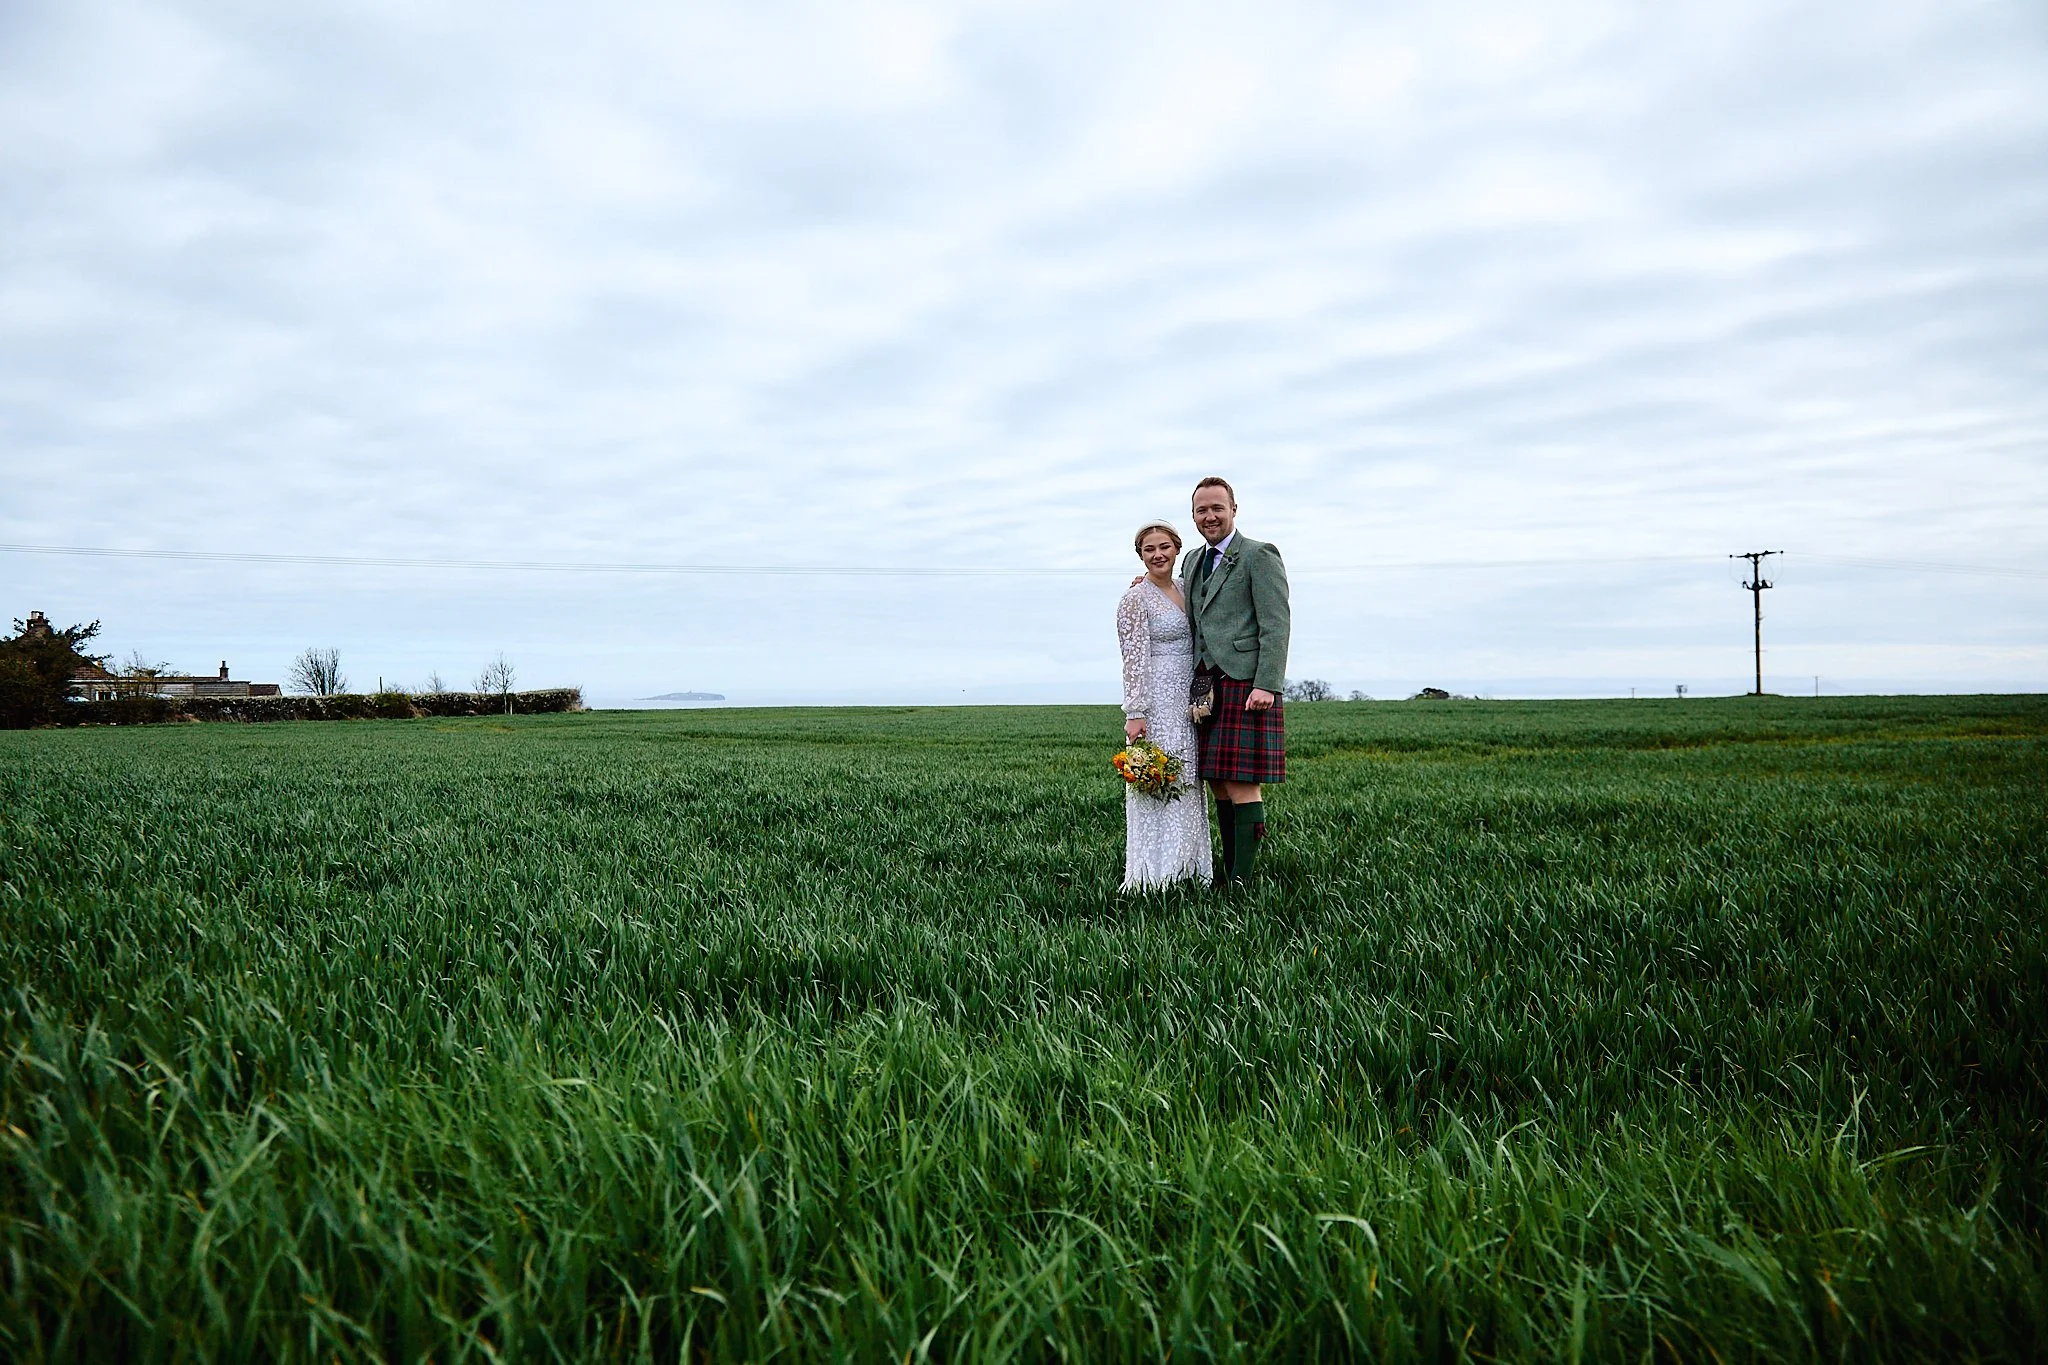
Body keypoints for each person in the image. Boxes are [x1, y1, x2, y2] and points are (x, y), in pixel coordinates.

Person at [1181, 477, 1289, 884]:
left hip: (1246, 683)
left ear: (1233, 509)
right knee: (1218, 784)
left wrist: (1268, 683)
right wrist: (1145, 586)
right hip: (1206, 685)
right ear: (1193, 515)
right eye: (1201, 510)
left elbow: (1276, 624)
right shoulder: (1192, 560)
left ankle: (1242, 881)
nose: (1209, 516)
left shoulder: (1259, 555)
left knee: (1242, 783)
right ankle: (1227, 873)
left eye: (1217, 508)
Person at [1116, 520, 1213, 890]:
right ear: (1140, 556)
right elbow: (1134, 658)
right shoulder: (1134, 599)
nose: (1158, 555)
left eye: (1164, 547)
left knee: (1188, 780)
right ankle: (1154, 877)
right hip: (1155, 701)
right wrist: (1136, 712)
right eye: (1148, 550)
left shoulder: (1189, 588)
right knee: (1158, 781)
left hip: (1188, 700)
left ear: (1176, 549)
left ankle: (1190, 871)